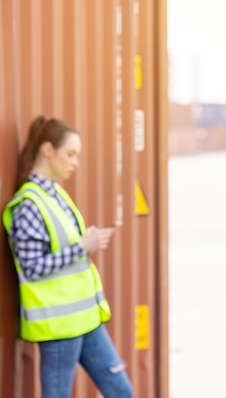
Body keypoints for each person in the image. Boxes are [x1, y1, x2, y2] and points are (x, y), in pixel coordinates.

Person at [2, 116, 133, 398]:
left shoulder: (56, 195)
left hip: (85, 318)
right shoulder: (29, 204)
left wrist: (89, 242)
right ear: (47, 150)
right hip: (59, 326)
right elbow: (31, 267)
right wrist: (82, 247)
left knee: (121, 391)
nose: (75, 162)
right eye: (70, 154)